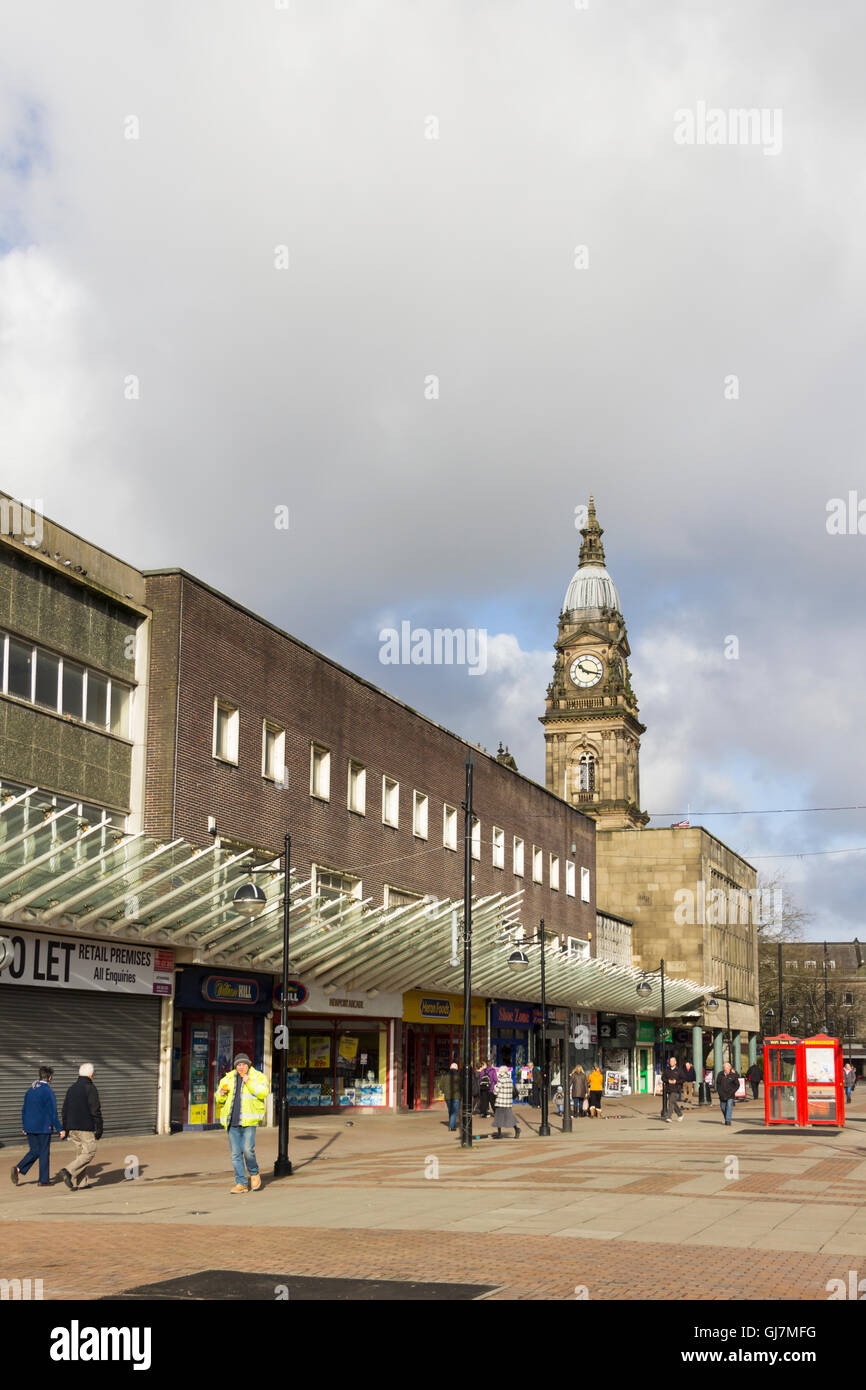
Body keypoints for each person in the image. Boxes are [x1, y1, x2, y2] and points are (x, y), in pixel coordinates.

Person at [214, 1051, 270, 1192]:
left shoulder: (258, 1077)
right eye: (238, 1064)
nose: (241, 1067)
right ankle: (241, 1183)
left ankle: (254, 1173)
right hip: (232, 1122)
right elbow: (218, 1099)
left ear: (248, 1065)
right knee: (235, 1154)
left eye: (244, 1064)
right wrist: (220, 1094)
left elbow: (263, 1093)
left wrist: (249, 1082)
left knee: (247, 1150)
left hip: (249, 1121)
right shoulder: (227, 1079)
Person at [12, 1066, 65, 1188]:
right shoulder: (48, 1092)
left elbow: (24, 1109)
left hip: (30, 1126)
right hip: (43, 1127)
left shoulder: (30, 1090)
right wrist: (60, 1128)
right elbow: (53, 1112)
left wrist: (25, 1126)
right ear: (50, 1077)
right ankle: (43, 1180)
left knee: (35, 1151)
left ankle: (18, 1168)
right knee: (44, 1152)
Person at [58, 1062, 103, 1190]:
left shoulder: (72, 1088)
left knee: (80, 1154)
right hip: (85, 1127)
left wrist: (65, 1127)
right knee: (89, 1152)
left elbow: (64, 1109)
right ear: (91, 1074)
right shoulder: (90, 1088)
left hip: (72, 1128)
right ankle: (68, 1170)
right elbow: (95, 1110)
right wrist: (99, 1127)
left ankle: (82, 1183)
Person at [492, 1049, 520, 1138]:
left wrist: (495, 1088)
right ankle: (516, 1129)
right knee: (509, 1117)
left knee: (498, 1117)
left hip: (501, 1102)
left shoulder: (501, 1079)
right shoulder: (510, 1080)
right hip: (508, 1102)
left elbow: (495, 1091)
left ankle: (499, 1134)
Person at [716, 1061, 740, 1126]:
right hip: (722, 1094)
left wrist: (732, 1091)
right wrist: (719, 1092)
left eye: (727, 1068)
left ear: (730, 1068)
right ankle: (727, 1117)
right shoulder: (720, 1074)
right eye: (725, 1068)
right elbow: (717, 1084)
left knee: (729, 1106)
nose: (726, 1069)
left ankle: (728, 1120)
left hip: (730, 1095)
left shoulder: (733, 1075)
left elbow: (737, 1085)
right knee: (723, 1108)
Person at [662, 1056, 685, 1122]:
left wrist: (676, 1082)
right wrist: (667, 1081)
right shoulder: (667, 1070)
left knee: (671, 1102)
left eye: (672, 1061)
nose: (671, 1062)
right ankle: (680, 1114)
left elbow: (683, 1079)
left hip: (676, 1089)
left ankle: (669, 1117)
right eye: (670, 1061)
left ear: (675, 1062)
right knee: (673, 1103)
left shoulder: (679, 1070)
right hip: (669, 1089)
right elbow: (663, 1078)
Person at [442, 1062, 461, 1130]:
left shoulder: (445, 1075)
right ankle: (451, 1126)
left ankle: (452, 1123)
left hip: (447, 1096)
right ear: (457, 1068)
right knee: (454, 1111)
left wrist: (444, 1091)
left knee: (450, 1111)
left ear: (450, 1068)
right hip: (456, 1096)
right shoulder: (459, 1076)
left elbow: (441, 1086)